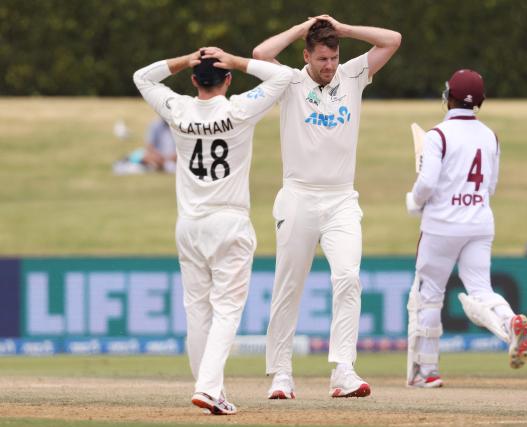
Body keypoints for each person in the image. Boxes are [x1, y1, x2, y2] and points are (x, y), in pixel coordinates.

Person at [133, 47, 291, 414]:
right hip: (229, 221)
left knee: (197, 311)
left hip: (189, 224)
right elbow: (282, 77)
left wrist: (184, 59)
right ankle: (208, 387)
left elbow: (142, 76)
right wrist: (236, 60)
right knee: (226, 311)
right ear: (228, 80)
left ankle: (209, 388)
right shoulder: (239, 108)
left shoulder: (179, 109)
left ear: (193, 80)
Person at [252, 15, 401, 399]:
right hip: (299, 196)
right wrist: (302, 28)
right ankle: (281, 374)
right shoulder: (289, 81)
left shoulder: (352, 76)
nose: (329, 66)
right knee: (289, 286)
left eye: (333, 58)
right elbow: (260, 53)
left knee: (348, 278)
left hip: (341, 200)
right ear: (306, 55)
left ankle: (343, 370)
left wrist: (346, 30)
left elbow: (392, 40)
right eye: (321, 59)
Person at [405, 69, 527, 388]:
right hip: (479, 222)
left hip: (442, 226)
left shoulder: (438, 136)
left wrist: (413, 201)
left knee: (430, 295)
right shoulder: (491, 136)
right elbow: (491, 186)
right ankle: (509, 321)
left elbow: (427, 183)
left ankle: (427, 371)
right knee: (481, 289)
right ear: (481, 101)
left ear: (448, 97)